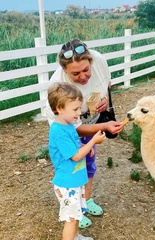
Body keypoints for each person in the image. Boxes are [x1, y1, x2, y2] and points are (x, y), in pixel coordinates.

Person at [46, 39, 124, 228]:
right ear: (64, 71)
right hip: (73, 130)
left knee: (88, 166)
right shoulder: (56, 87)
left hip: (92, 124)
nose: (83, 77)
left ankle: (84, 201)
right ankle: (74, 208)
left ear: (91, 62)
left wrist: (104, 100)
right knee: (75, 168)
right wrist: (103, 128)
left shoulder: (99, 60)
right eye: (76, 73)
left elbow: (107, 84)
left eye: (86, 70)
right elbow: (72, 130)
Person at [48, 82, 106, 240]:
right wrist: (92, 142)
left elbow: (75, 143)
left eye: (79, 108)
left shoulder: (67, 125)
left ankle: (75, 237)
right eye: (75, 109)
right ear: (59, 108)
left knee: (76, 215)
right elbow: (76, 156)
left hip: (75, 181)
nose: (79, 113)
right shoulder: (58, 131)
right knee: (71, 220)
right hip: (68, 184)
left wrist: (84, 144)